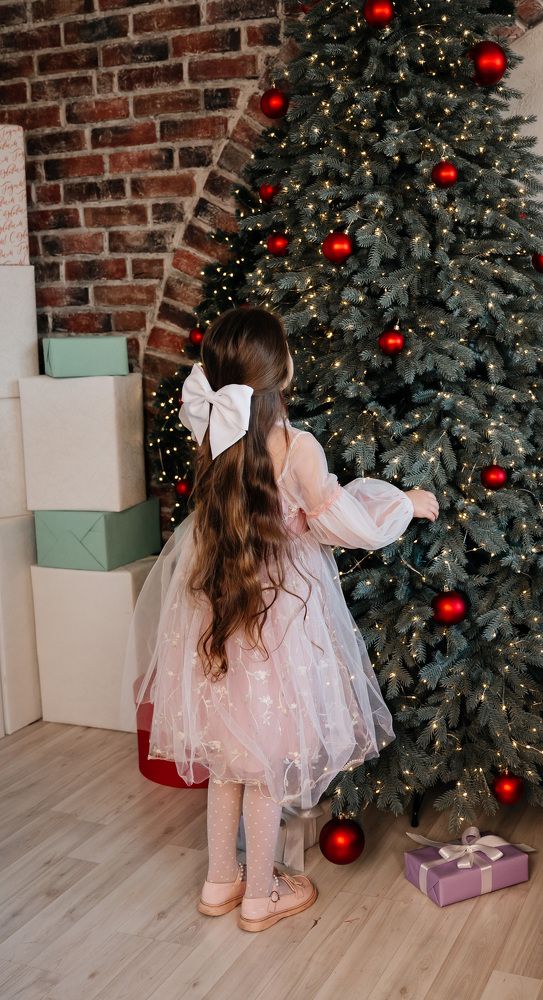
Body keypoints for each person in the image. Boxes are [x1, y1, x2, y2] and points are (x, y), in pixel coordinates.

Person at [122, 306, 439, 933]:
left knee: (227, 756)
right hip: (279, 615)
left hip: (218, 600)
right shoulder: (296, 447)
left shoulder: (212, 429)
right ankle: (261, 895)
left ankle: (220, 882)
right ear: (282, 370)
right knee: (265, 761)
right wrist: (404, 503)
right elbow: (344, 522)